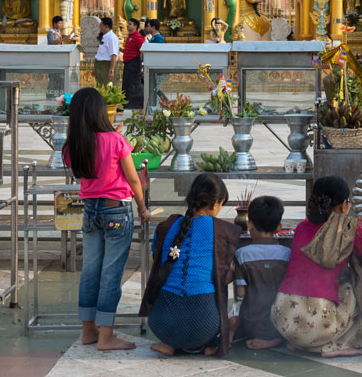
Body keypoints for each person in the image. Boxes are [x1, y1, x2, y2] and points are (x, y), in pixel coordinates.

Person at [61, 87, 151, 350]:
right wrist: (143, 208)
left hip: (90, 210)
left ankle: (88, 331)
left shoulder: (72, 146)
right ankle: (106, 336)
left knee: (90, 271)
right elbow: (133, 178)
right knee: (111, 274)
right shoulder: (115, 140)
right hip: (116, 211)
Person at [273, 176, 362, 357]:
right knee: (353, 285)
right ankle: (334, 346)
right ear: (344, 205)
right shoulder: (349, 229)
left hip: (281, 316)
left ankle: (301, 343)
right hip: (315, 324)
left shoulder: (302, 227)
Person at [141, 173, 240, 357]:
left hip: (161, 325)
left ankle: (168, 345)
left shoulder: (166, 226)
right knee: (221, 279)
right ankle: (210, 344)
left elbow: (158, 258)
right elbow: (223, 273)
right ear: (215, 202)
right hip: (205, 327)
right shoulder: (222, 230)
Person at [231, 196, 290, 349]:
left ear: (249, 225)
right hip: (282, 323)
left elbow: (240, 293)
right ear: (279, 227)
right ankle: (278, 339)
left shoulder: (242, 254)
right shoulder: (287, 254)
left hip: (251, 323)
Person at [121, 18, 144, 109]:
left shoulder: (138, 37)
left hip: (134, 63)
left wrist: (142, 65)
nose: (127, 25)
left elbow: (142, 50)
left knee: (132, 84)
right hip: (128, 63)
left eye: (130, 24)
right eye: (128, 24)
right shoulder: (129, 36)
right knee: (126, 84)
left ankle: (133, 103)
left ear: (135, 26)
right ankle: (126, 103)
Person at [94, 17, 119, 87]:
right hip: (100, 66)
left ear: (106, 26)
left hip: (106, 66)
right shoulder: (105, 37)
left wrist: (111, 71)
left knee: (108, 89)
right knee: (100, 88)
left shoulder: (111, 38)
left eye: (101, 25)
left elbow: (113, 56)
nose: (100, 27)